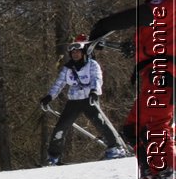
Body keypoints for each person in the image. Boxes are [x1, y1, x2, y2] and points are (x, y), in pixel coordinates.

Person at [85, 0, 174, 179]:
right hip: (154, 73)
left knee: (154, 126)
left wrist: (103, 26)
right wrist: (131, 46)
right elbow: (154, 36)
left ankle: (167, 177)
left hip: (164, 74)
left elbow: (141, 16)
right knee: (133, 127)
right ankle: (151, 176)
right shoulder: (164, 6)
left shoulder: (169, 1)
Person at [40, 36, 124, 165]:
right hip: (74, 100)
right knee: (60, 127)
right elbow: (59, 84)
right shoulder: (68, 68)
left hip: (89, 99)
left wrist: (94, 91)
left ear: (83, 52)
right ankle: (53, 157)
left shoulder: (92, 64)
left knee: (100, 122)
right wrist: (49, 97)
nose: (75, 54)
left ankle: (116, 148)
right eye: (73, 52)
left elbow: (97, 78)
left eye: (77, 52)